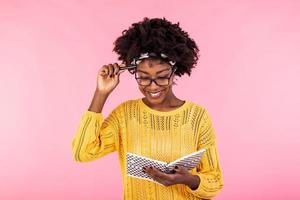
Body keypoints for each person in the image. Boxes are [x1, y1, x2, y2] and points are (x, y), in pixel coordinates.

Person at [71, 17, 224, 200]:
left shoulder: (197, 117)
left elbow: (214, 181)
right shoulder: (125, 115)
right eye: (144, 77)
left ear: (173, 72)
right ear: (134, 73)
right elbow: (83, 152)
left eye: (161, 77)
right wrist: (101, 93)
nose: (152, 86)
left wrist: (189, 180)